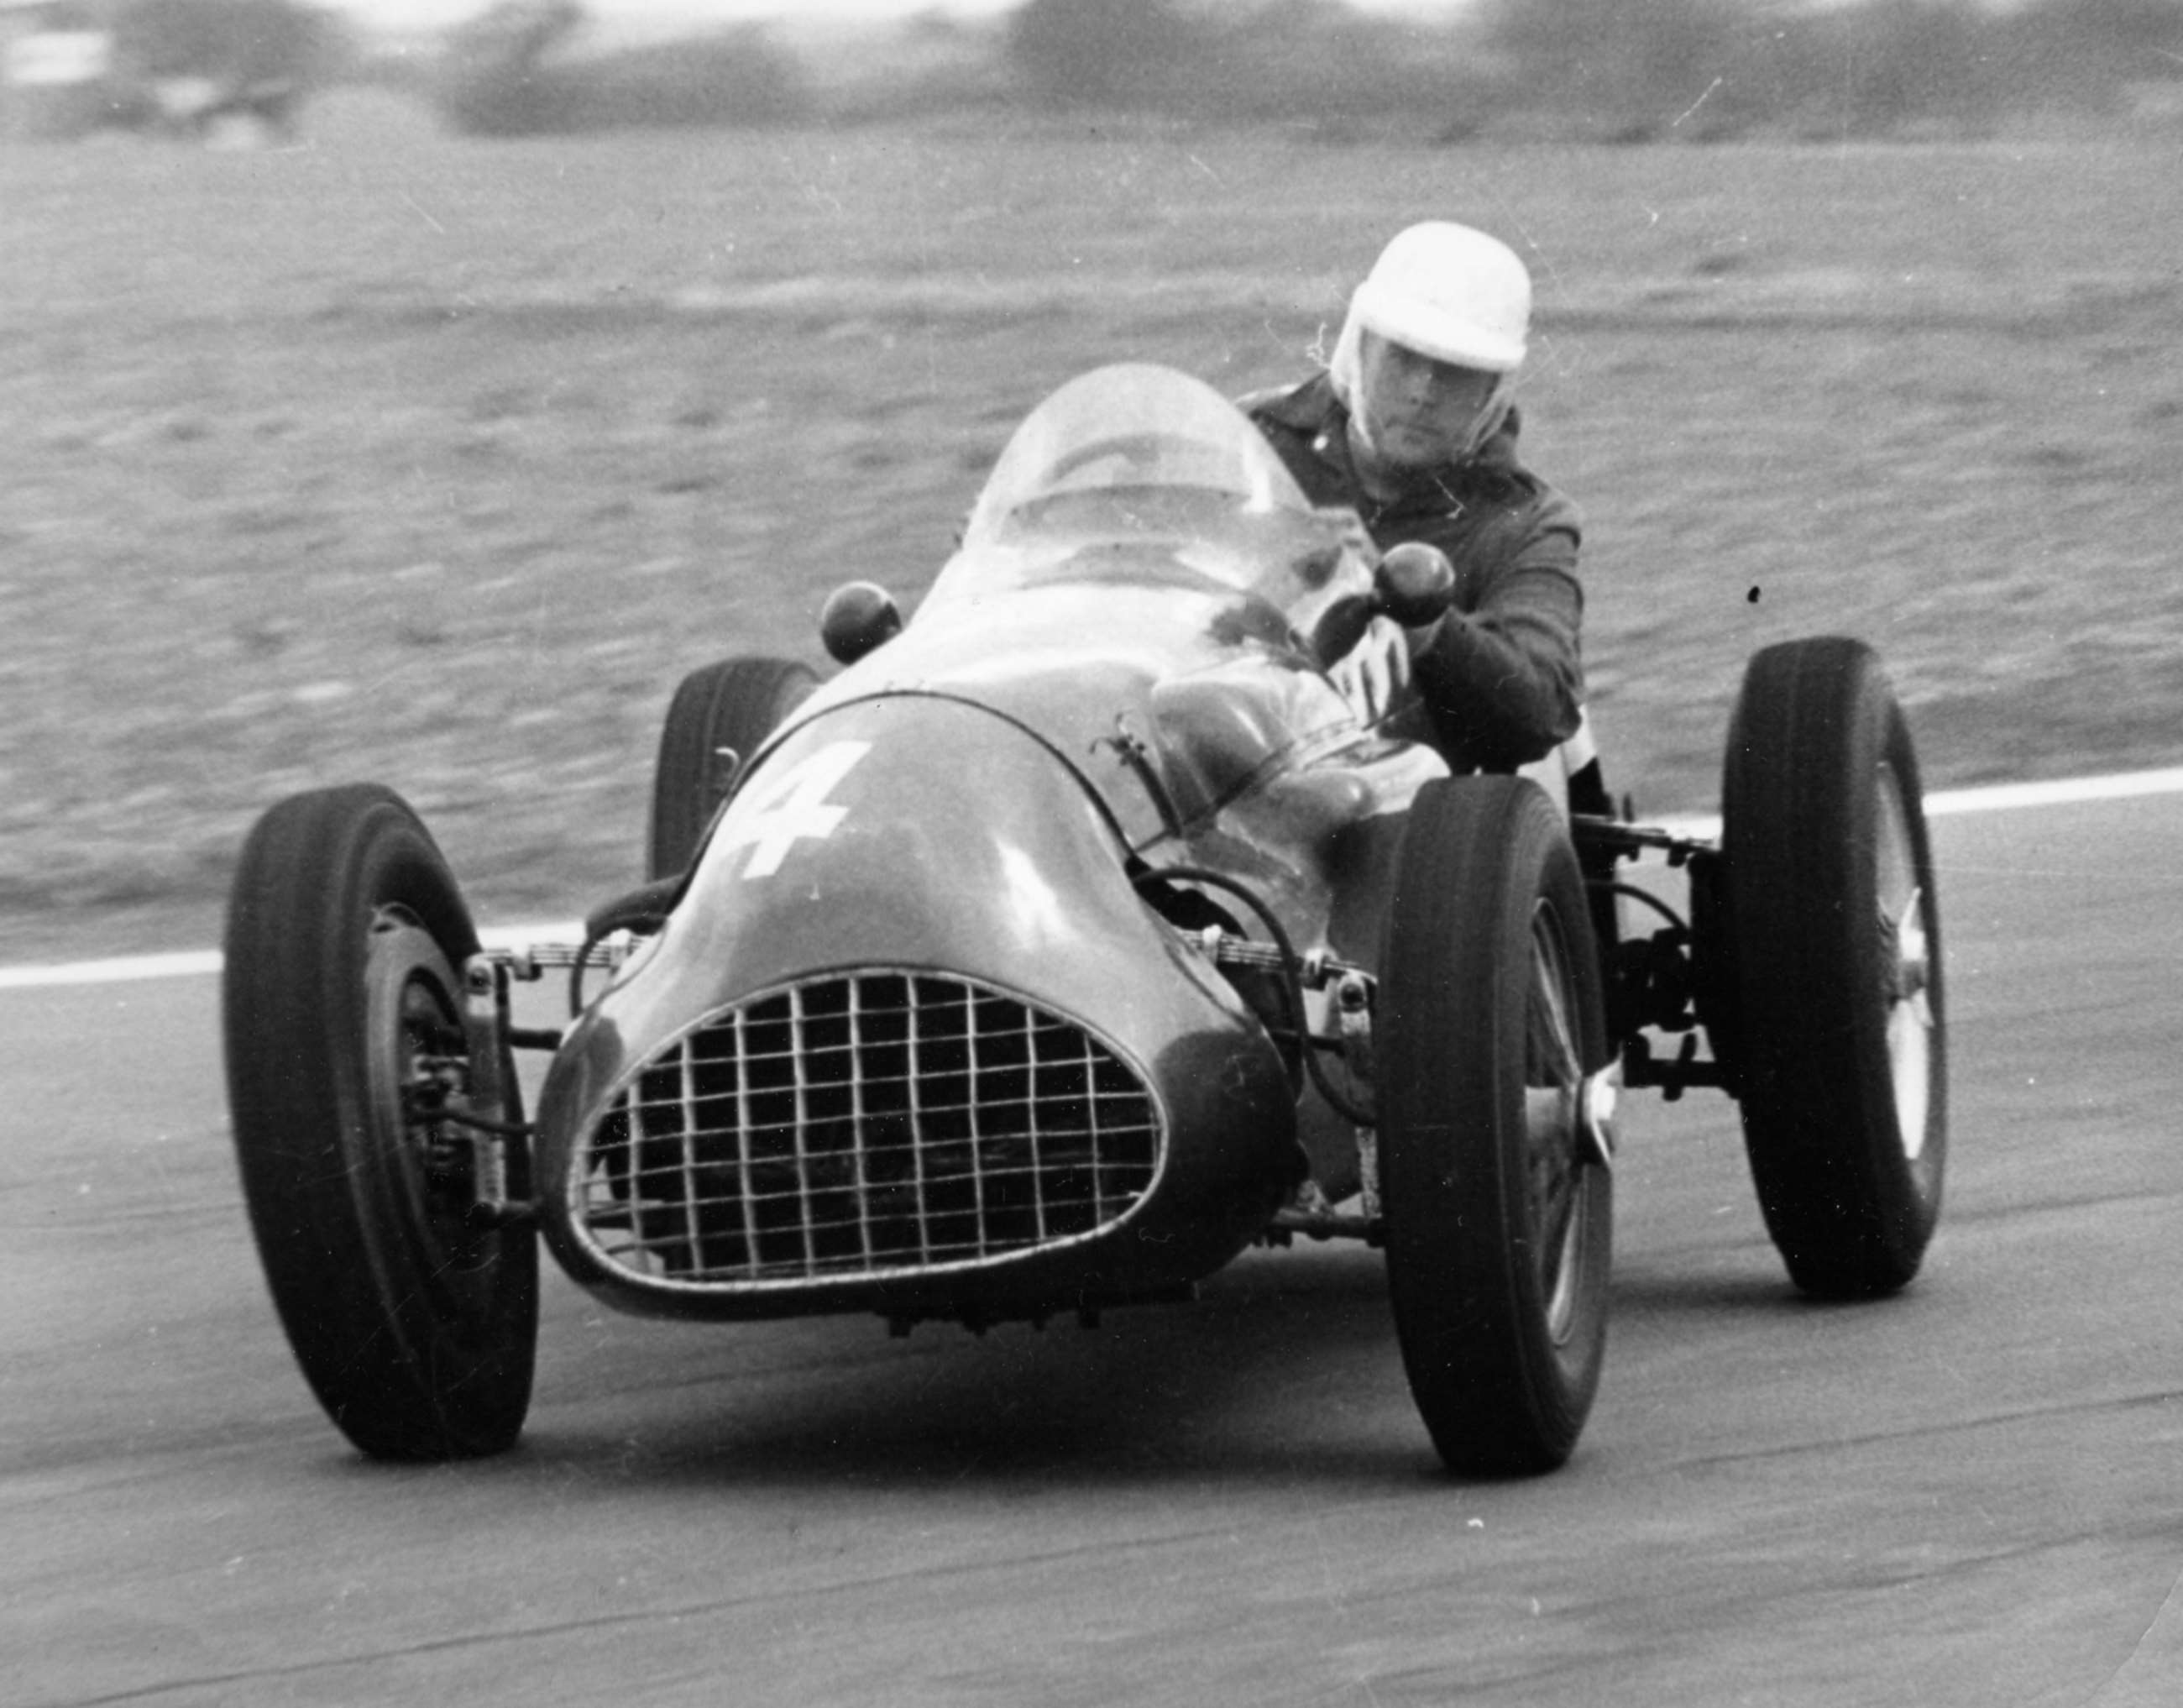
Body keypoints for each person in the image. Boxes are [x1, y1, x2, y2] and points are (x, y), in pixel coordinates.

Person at [1243, 221, 1589, 780]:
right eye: (1403, 357)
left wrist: (1419, 619)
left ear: (1491, 393)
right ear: (1360, 347)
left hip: (1413, 822)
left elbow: (1542, 711)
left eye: (1454, 373)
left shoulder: (1526, 521)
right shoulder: (1252, 442)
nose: (1423, 391)